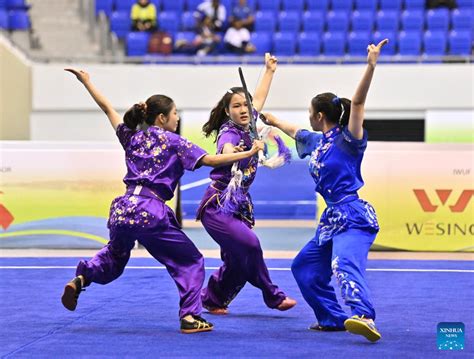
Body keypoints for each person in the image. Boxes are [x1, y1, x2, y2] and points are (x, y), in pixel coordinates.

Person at [60, 68, 265, 334]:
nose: (177, 117)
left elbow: (107, 108)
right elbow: (213, 161)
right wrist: (249, 151)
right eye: (175, 112)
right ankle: (190, 317)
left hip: (122, 210)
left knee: (115, 255)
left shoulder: (131, 137)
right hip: (150, 211)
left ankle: (83, 277)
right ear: (161, 118)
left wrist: (86, 81)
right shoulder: (175, 142)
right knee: (191, 261)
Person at [261, 40, 388, 343]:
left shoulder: (349, 140)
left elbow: (357, 105)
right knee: (304, 266)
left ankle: (364, 316)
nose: (307, 117)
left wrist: (370, 65)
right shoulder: (318, 142)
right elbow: (296, 132)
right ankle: (332, 318)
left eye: (309, 112)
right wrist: (272, 119)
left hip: (354, 216)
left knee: (343, 263)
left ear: (319, 116)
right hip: (332, 219)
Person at [197, 53, 297, 315]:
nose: (243, 110)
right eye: (237, 106)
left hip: (239, 205)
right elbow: (226, 151)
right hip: (218, 206)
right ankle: (272, 295)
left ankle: (213, 298)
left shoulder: (251, 122)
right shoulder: (229, 133)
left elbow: (260, 97)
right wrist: (247, 151)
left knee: (236, 260)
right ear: (228, 111)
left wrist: (269, 70)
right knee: (251, 245)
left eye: (246, 105)